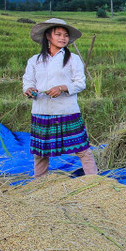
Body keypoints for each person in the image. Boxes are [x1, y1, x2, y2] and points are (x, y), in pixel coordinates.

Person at [22, 18, 98, 178]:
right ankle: (39, 184)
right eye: (58, 34)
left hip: (66, 110)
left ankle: (94, 181)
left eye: (65, 35)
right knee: (40, 153)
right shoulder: (34, 60)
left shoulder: (73, 59)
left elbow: (80, 83)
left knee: (82, 149)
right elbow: (28, 80)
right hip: (41, 110)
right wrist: (29, 89)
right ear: (48, 37)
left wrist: (62, 88)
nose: (63, 38)